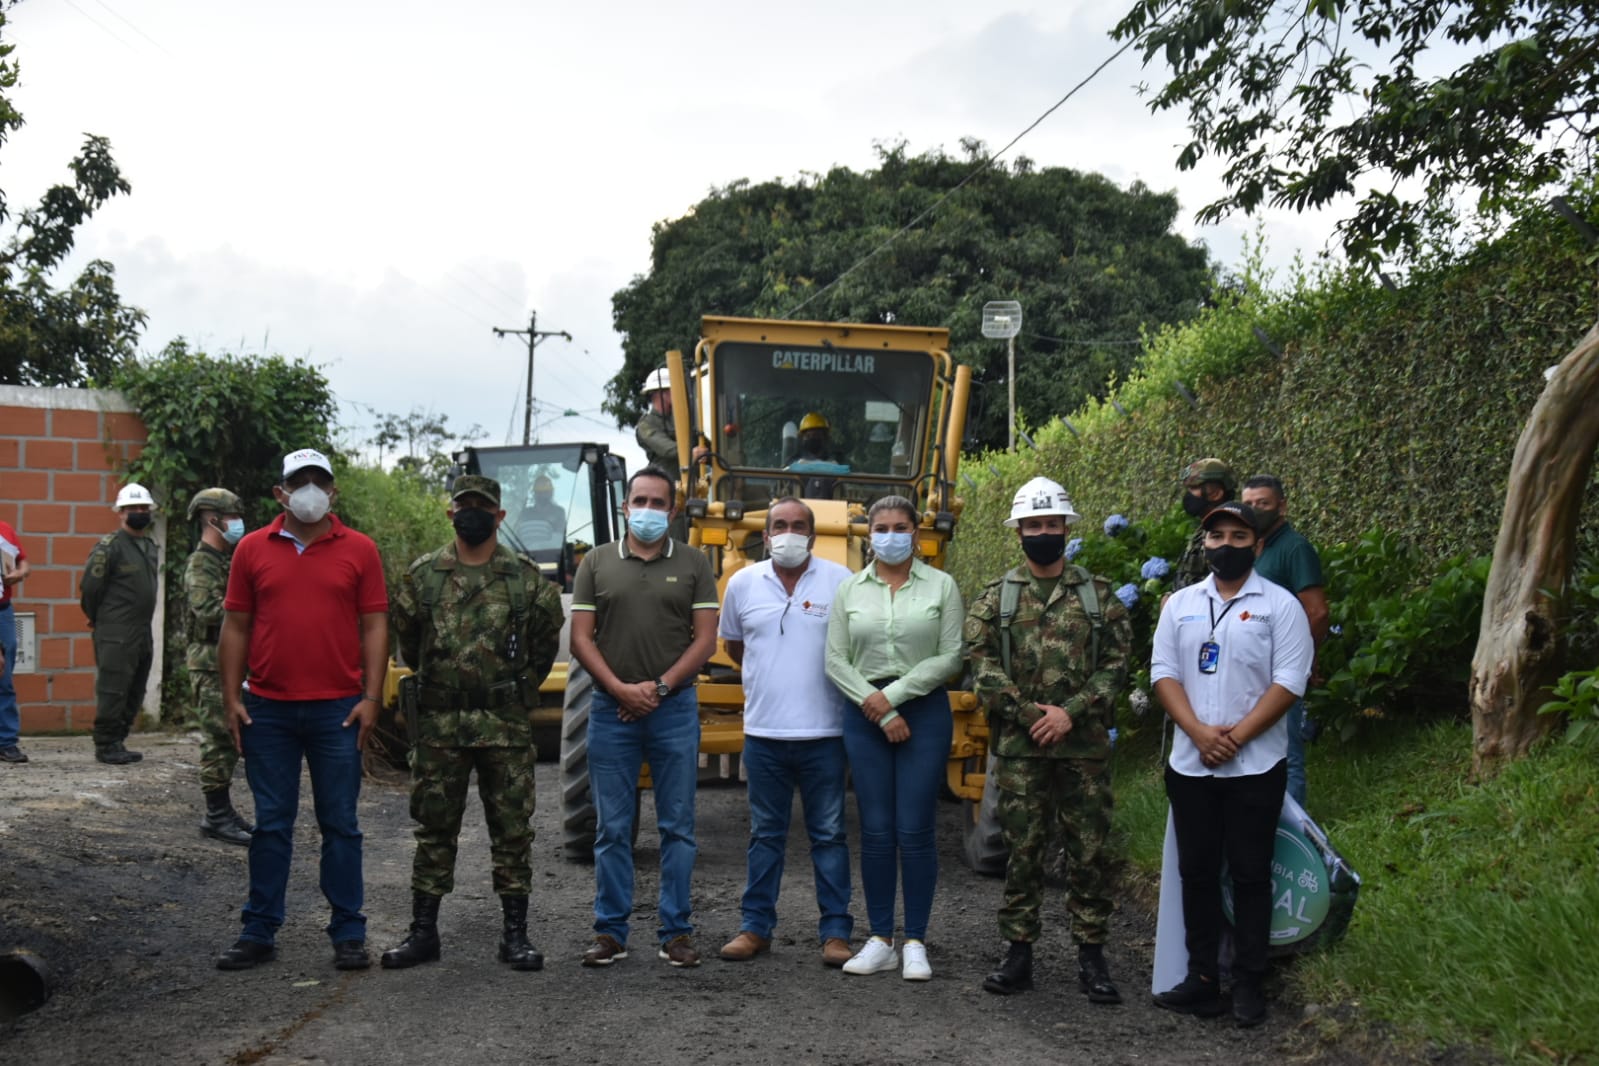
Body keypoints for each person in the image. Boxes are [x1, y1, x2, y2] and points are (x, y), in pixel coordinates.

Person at [214, 448, 389, 973]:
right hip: (267, 708)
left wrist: (372, 698)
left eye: (319, 480)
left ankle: (348, 931)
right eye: (300, 480)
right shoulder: (250, 549)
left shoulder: (359, 550)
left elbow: (375, 625)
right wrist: (231, 699)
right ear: (281, 492)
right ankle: (258, 929)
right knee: (271, 823)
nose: (310, 489)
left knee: (341, 822)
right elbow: (236, 626)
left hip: (338, 709)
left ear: (333, 491)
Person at [382, 475, 563, 972]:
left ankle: (515, 935)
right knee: (434, 830)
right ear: (450, 513)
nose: (473, 513)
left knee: (512, 831)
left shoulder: (525, 580)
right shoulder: (423, 576)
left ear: (500, 517)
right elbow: (408, 642)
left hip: (504, 726)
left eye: (484, 507)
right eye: (465, 505)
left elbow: (547, 641)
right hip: (440, 726)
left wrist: (518, 685)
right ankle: (423, 933)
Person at [965, 477, 1132, 1003]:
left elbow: (1117, 666)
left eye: (1051, 524)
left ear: (1066, 528)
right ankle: (1018, 954)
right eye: (1033, 525)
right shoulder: (995, 599)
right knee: (1023, 851)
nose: (1043, 533)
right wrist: (1031, 713)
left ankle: (1092, 956)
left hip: (1082, 750)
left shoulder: (1100, 597)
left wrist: (1072, 713)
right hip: (1021, 749)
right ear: (1019, 533)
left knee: (1089, 852)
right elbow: (981, 666)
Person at [1149, 501, 1313, 1027]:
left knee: (1249, 875)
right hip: (1192, 764)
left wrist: (1236, 738)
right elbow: (1162, 673)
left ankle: (1248, 981)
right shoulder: (1179, 605)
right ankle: (1203, 979)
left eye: (1238, 535)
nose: (1225, 544)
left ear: (1257, 545)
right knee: (1195, 873)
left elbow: (1290, 680)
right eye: (1216, 535)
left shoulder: (1281, 606)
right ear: (1205, 545)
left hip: (1255, 766)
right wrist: (1197, 732)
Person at [569, 463, 718, 968]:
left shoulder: (696, 563)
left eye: (658, 503)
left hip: (674, 710)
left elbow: (705, 640)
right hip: (612, 712)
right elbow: (581, 639)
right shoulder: (596, 562)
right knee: (612, 828)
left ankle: (676, 931)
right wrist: (617, 690)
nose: (648, 511)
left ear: (672, 510)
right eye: (640, 501)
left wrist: (656, 689)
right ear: (624, 506)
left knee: (678, 827)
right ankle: (610, 932)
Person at [825, 495, 964, 981]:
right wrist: (880, 710)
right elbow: (835, 661)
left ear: (916, 532)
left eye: (900, 526)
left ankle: (916, 941)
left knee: (916, 828)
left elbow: (950, 656)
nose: (890, 535)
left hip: (923, 710)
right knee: (878, 829)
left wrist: (897, 697)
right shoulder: (850, 591)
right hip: (866, 712)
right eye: (880, 528)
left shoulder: (942, 586)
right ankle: (880, 937)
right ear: (869, 536)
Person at [716, 497, 855, 967]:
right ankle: (755, 929)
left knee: (830, 835)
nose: (788, 533)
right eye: (780, 525)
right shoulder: (741, 583)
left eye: (798, 525)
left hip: (826, 735)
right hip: (764, 736)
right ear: (767, 534)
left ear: (813, 536)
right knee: (765, 835)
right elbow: (737, 647)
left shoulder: (842, 582)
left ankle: (836, 933)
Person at [1240, 474, 1330, 808]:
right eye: (1248, 504)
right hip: (1254, 666)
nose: (1254, 510)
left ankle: (1295, 834)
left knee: (1287, 750)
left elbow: (1317, 612)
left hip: (1281, 667)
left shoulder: (1294, 548)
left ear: (1282, 506)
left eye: (1262, 503)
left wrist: (1304, 657)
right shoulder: (1254, 547)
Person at [183, 488, 253, 844]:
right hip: (208, 662)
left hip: (224, 661)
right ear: (213, 520)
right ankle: (215, 816)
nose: (236, 524)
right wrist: (247, 609)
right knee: (217, 739)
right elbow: (207, 610)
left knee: (228, 737)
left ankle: (223, 811)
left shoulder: (223, 560)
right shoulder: (201, 563)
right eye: (231, 518)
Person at [79, 483, 160, 766]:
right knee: (113, 689)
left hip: (142, 631)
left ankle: (119, 739)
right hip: (116, 630)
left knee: (135, 688)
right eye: (133, 508)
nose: (139, 512)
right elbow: (90, 589)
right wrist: (102, 620)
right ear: (120, 513)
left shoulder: (149, 547)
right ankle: (105, 744)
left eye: (143, 508)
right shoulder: (109, 548)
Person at [1170, 459, 1236, 593]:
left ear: (1216, 493)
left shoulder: (1228, 534)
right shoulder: (1205, 528)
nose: (1188, 494)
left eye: (1194, 488)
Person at [0, 516, 31, 764]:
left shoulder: (5, 530)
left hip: (3, 612)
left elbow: (24, 563)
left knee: (3, 676)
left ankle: (6, 742)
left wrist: (18, 575)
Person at [513, 474, 567, 550]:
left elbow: (559, 537)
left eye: (545, 492)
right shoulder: (526, 513)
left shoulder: (559, 512)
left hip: (552, 553)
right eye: (540, 492)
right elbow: (516, 536)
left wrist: (538, 546)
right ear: (535, 494)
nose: (543, 495)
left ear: (551, 493)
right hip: (526, 553)